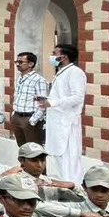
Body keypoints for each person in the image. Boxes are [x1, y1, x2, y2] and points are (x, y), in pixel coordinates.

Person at [40, 43, 87, 182]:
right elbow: (59, 95)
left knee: (70, 158)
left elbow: (78, 97)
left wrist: (53, 103)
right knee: (58, 156)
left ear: (63, 57)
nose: (52, 56)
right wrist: (47, 101)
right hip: (56, 121)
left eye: (54, 53)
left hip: (67, 122)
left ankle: (74, 187)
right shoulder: (61, 73)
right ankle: (63, 185)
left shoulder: (75, 73)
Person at [9, 52, 48, 146]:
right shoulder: (19, 78)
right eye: (16, 62)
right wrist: (14, 114)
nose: (18, 64)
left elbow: (43, 103)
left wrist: (33, 120)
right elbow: (17, 96)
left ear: (31, 64)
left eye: (21, 62)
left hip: (30, 119)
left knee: (34, 150)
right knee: (22, 148)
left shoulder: (39, 80)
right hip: (17, 117)